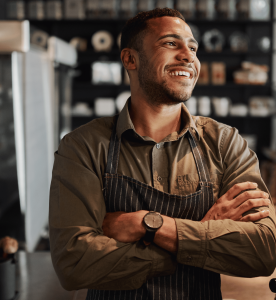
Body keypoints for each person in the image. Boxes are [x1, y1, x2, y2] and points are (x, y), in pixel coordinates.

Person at [49, 8, 276, 300]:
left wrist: (147, 224)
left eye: (192, 47)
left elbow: (263, 251)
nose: (188, 55)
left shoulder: (224, 143)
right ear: (130, 59)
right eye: (171, 43)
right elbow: (74, 265)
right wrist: (200, 234)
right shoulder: (83, 146)